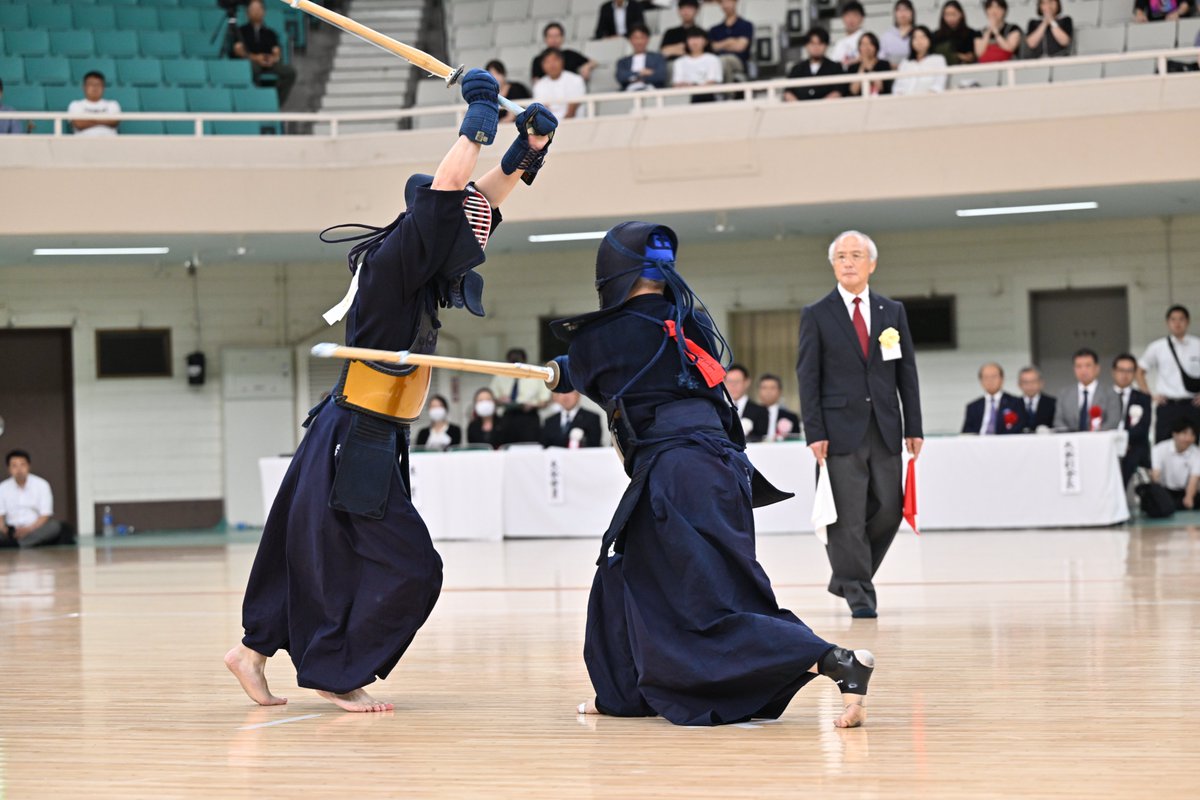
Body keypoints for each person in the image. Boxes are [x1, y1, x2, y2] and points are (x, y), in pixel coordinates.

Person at [224, 72, 557, 713]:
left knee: (310, 543)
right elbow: (452, 192)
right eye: (471, 230)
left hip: (364, 434)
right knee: (413, 568)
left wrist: (529, 148)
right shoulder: (399, 259)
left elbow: (477, 197)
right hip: (358, 436)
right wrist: (482, 113)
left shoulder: (421, 269)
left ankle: (252, 651)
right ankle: (334, 669)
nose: (483, 237)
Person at [551, 221, 878, 728]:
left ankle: (834, 661)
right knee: (628, 573)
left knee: (706, 605)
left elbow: (592, 373)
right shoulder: (692, 324)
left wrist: (562, 369)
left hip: (677, 476)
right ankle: (625, 694)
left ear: (611, 270)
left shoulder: (603, 335)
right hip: (725, 471)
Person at [797, 230, 923, 618]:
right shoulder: (817, 314)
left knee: (889, 508)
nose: (848, 262)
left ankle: (849, 574)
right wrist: (814, 432)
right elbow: (808, 376)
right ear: (833, 265)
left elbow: (907, 372)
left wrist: (913, 426)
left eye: (856, 255)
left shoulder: (892, 312)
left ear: (872, 263)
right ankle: (859, 593)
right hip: (837, 432)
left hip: (885, 425)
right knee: (847, 516)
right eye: (841, 257)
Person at [1137, 305, 1200, 444]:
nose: (1177, 323)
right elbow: (1140, 371)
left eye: (1181, 319)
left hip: (1192, 405)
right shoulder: (1158, 347)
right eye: (1173, 319)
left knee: (1193, 448)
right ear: (1168, 323)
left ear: (1187, 322)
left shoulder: (1197, 345)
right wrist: (1150, 394)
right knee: (1163, 445)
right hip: (1167, 405)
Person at [233, 0, 297, 105]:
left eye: (259, 9)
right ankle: (256, 101)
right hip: (251, 62)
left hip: (269, 62)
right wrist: (256, 58)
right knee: (252, 69)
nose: (256, 12)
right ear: (247, 13)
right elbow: (238, 51)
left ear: (264, 12)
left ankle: (275, 102)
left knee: (290, 72)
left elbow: (276, 51)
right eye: (253, 9)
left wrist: (273, 58)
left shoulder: (270, 33)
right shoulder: (241, 31)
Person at [0, 450, 63, 549]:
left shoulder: (42, 485)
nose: (19, 469)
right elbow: (1, 515)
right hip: (10, 529)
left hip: (34, 528)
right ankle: (21, 543)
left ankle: (18, 545)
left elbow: (45, 515)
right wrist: (3, 528)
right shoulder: (2, 488)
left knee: (54, 527)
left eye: (22, 465)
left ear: (29, 466)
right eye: (14, 466)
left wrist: (28, 529)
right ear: (9, 469)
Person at [490, 347, 553, 445]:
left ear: (524, 360)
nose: (515, 364)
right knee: (506, 447)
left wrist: (533, 405)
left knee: (530, 448)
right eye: (512, 362)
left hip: (529, 417)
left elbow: (545, 401)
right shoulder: (500, 376)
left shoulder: (536, 375)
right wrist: (500, 400)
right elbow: (491, 398)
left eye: (518, 361)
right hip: (508, 416)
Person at [1052, 348, 1122, 432]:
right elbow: (1058, 421)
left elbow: (1113, 422)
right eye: (1079, 366)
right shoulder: (1064, 394)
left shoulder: (1110, 393)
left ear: (1097, 368)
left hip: (1099, 441)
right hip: (1071, 442)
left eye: (1088, 365)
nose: (1083, 370)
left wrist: (1091, 437)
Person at [1112, 354, 1152, 487]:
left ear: (1134, 373)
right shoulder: (1104, 395)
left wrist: (1124, 441)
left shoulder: (1143, 398)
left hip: (1133, 445)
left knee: (1133, 455)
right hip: (1109, 443)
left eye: (1129, 371)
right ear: (1114, 372)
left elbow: (1143, 427)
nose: (1125, 375)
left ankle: (1120, 494)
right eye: (1121, 370)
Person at [784, 28, 846, 101]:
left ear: (826, 46)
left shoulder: (836, 68)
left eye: (820, 43)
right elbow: (788, 92)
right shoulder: (797, 68)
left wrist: (820, 107)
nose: (816, 47)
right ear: (806, 45)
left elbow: (839, 91)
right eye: (812, 43)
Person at [962, 362, 1025, 434]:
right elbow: (966, 432)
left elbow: (1019, 428)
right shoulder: (973, 407)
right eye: (986, 377)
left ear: (1002, 379)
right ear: (981, 381)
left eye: (994, 376)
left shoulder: (1016, 403)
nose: (990, 380)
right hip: (979, 442)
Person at [1150, 419, 1200, 509]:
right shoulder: (1159, 449)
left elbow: (1194, 478)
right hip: (1165, 490)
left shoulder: (1197, 453)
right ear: (1174, 434)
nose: (1188, 438)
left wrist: (1189, 497)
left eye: (1192, 435)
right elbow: (1156, 474)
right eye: (1184, 433)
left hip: (1185, 490)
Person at [531, 23, 596, 83]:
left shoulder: (570, 55)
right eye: (550, 36)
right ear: (545, 39)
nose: (554, 40)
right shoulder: (538, 60)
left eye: (557, 36)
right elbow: (536, 81)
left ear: (562, 38)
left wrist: (587, 66)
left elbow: (593, 62)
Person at [533, 49, 588, 119]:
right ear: (542, 65)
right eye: (547, 62)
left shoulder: (576, 80)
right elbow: (542, 110)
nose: (551, 65)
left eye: (555, 60)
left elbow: (572, 110)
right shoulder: (539, 85)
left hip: (574, 124)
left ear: (562, 61)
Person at [893, 26, 948, 95]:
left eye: (922, 37)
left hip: (930, 101)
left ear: (929, 39)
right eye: (915, 38)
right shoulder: (905, 62)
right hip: (906, 102)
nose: (919, 41)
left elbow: (939, 85)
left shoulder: (938, 59)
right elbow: (897, 87)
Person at [671, 29, 723, 103]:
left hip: (709, 97)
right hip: (685, 98)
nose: (694, 42)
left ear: (706, 42)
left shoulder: (713, 59)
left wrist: (693, 86)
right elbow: (677, 84)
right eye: (691, 39)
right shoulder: (679, 62)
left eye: (698, 38)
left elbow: (713, 82)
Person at [708, 0, 754, 82]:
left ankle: (727, 92)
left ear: (735, 2)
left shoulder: (746, 25)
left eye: (729, 1)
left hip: (739, 63)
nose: (726, 5)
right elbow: (713, 47)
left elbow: (740, 46)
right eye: (723, 2)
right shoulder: (715, 29)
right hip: (718, 62)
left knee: (724, 60)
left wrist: (721, 45)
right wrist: (730, 41)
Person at [68, 71, 121, 137]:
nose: (95, 88)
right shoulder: (75, 105)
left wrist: (89, 120)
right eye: (91, 84)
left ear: (103, 87)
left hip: (110, 143)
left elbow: (114, 122)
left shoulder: (113, 104)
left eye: (98, 84)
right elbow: (79, 124)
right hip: (82, 144)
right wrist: (103, 120)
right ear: (84, 87)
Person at [617, 25, 669, 91]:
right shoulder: (623, 61)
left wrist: (632, 77)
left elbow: (661, 76)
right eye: (635, 38)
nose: (639, 41)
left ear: (648, 39)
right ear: (630, 40)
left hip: (652, 91)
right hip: (629, 92)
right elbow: (621, 77)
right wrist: (640, 73)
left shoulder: (658, 57)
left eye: (642, 37)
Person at [725, 363, 769, 439]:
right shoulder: (719, 409)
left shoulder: (760, 411)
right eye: (729, 381)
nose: (733, 385)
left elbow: (761, 437)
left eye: (737, 381)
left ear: (747, 382)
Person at [756, 373, 801, 441]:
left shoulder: (791, 417)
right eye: (764, 388)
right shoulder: (751, 414)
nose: (768, 391)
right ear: (759, 391)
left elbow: (795, 440)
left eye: (772, 388)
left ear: (780, 391)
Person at [932, 0, 977, 65]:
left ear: (961, 14)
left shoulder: (970, 33)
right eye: (947, 15)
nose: (950, 18)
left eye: (953, 14)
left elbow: (972, 56)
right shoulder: (936, 35)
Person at [1016, 365, 1056, 431]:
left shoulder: (1053, 403)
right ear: (1019, 385)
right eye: (1025, 382)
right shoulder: (1013, 404)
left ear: (1041, 383)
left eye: (1033, 381)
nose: (1030, 385)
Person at [829, 1, 868, 68]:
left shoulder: (867, 39)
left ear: (862, 18)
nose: (851, 19)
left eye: (855, 15)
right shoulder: (840, 43)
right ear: (843, 18)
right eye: (848, 15)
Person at [880, 0, 916, 67]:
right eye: (899, 10)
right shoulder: (887, 35)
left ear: (912, 13)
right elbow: (881, 57)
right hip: (892, 72)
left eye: (906, 10)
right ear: (895, 14)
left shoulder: (918, 33)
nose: (903, 13)